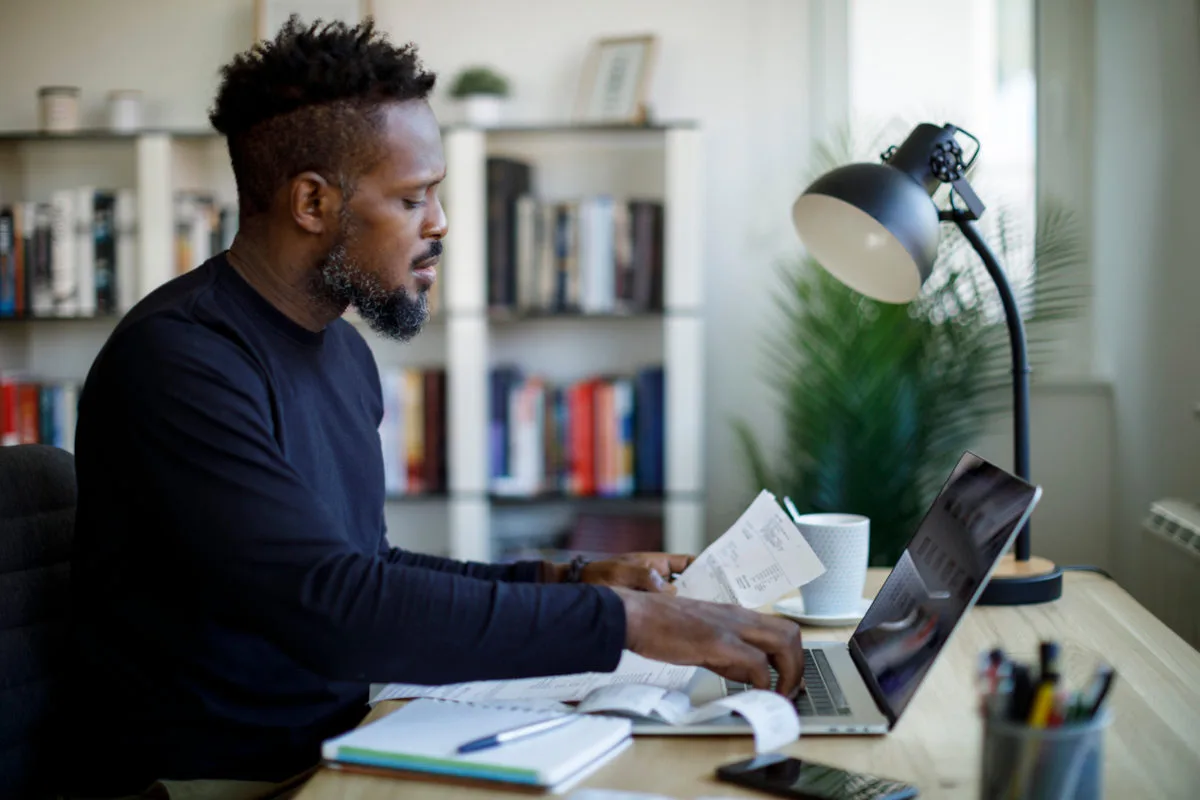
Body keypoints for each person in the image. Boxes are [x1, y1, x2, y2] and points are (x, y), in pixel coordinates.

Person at [60, 17, 805, 799]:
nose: (440, 223)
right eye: (415, 198)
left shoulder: (339, 351)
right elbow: (336, 609)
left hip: (339, 740)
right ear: (312, 200)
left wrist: (567, 575)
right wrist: (628, 622)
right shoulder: (181, 363)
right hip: (219, 780)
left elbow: (367, 568)